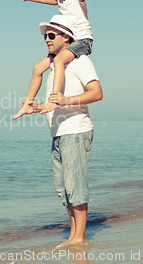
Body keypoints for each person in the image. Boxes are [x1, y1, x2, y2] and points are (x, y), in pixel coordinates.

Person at [13, 15, 103, 249]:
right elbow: (54, 103)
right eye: (45, 36)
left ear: (67, 37)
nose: (46, 40)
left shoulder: (80, 62)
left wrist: (65, 100)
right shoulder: (55, 67)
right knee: (63, 188)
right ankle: (73, 235)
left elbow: (96, 93)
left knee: (75, 186)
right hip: (58, 133)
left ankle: (80, 238)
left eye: (51, 35)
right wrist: (37, 108)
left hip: (76, 130)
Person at [14, 0, 105, 118]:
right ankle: (27, 104)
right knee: (38, 68)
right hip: (70, 42)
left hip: (83, 41)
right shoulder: (61, 1)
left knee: (59, 60)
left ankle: (55, 98)